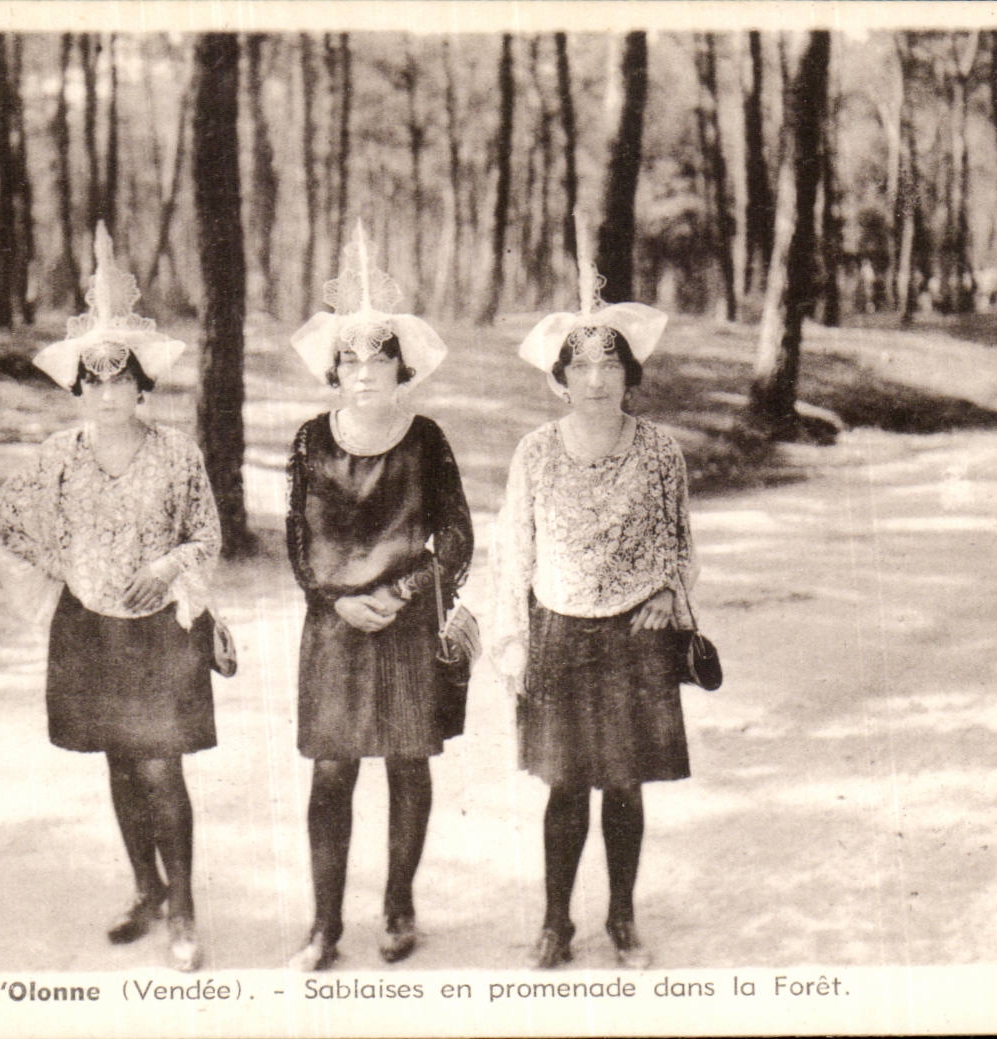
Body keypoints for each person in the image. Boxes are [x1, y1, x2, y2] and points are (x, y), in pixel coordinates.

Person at [0, 224, 220, 973]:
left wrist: (170, 566)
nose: (108, 392)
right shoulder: (56, 458)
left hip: (160, 632)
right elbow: (6, 523)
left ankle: (183, 907)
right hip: (91, 631)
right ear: (78, 386)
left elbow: (207, 534)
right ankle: (144, 888)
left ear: (142, 384)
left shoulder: (178, 453)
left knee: (161, 767)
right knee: (119, 762)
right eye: (94, 379)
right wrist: (64, 580)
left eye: (122, 379)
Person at [491, 225, 698, 971]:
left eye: (610, 362)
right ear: (560, 377)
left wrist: (670, 595)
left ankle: (623, 918)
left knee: (624, 783)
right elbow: (514, 547)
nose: (597, 379)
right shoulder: (536, 451)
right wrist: (512, 639)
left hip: (633, 640)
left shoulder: (660, 450)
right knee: (564, 786)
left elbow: (678, 539)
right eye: (580, 365)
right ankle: (554, 923)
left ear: (629, 371)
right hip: (560, 632)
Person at [284, 223, 474, 970]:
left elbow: (456, 535)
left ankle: (398, 905)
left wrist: (404, 589)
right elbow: (299, 541)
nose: (365, 369)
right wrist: (333, 600)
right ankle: (323, 924)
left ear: (403, 366)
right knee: (332, 771)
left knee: (406, 765)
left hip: (404, 626)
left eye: (380, 355)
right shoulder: (309, 439)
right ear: (334, 368)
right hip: (334, 628)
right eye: (350, 356)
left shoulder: (425, 439)